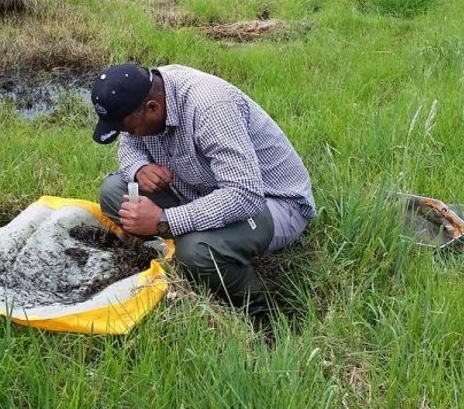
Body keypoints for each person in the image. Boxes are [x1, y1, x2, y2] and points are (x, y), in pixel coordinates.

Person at [90, 63, 316, 322]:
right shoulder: (145, 92)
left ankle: (260, 315)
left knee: (196, 251)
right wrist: (139, 168)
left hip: (272, 203)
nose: (128, 135)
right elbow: (129, 146)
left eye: (129, 128)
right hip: (204, 190)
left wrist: (163, 221)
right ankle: (177, 249)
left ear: (153, 109)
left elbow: (244, 195)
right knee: (114, 192)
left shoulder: (210, 108)